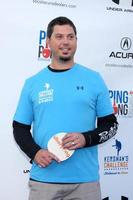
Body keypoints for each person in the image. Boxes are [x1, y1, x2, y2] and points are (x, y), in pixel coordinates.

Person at [13, 16, 118, 200]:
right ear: (48, 42)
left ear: (76, 40)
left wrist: (86, 138)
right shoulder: (33, 83)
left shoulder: (94, 79)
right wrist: (35, 152)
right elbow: (19, 128)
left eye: (70, 37)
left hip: (85, 184)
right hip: (43, 182)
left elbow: (111, 125)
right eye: (59, 37)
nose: (65, 42)